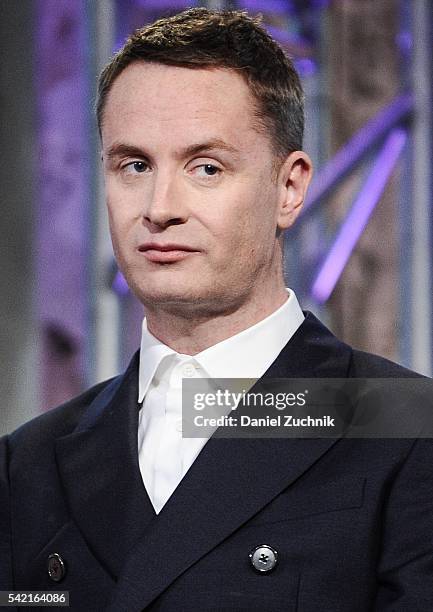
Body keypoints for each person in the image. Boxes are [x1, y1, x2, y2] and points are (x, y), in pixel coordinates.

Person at [1, 8, 432, 611]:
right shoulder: (31, 460)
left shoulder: (406, 424)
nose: (160, 207)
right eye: (134, 165)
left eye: (206, 167)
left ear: (290, 188)